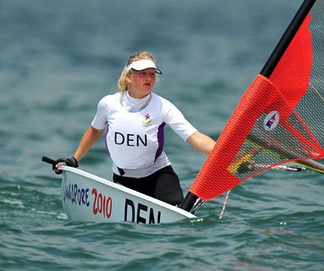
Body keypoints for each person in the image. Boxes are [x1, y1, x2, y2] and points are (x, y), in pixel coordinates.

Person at [54, 51, 216, 206]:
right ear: (128, 76)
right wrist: (74, 159)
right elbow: (95, 131)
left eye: (152, 74)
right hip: (123, 179)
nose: (149, 78)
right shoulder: (108, 104)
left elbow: (194, 137)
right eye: (142, 73)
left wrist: (225, 154)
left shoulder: (163, 107)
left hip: (158, 176)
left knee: (176, 214)